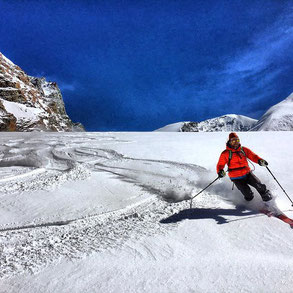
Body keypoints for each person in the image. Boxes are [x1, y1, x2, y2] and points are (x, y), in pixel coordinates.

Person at [216, 132, 272, 202]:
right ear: (229, 142)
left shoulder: (243, 150)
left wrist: (260, 161)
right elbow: (220, 165)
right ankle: (249, 203)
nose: (236, 142)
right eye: (233, 140)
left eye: (237, 140)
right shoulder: (225, 153)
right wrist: (220, 171)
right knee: (248, 195)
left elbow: (253, 156)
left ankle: (269, 201)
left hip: (247, 174)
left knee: (259, 186)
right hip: (236, 178)